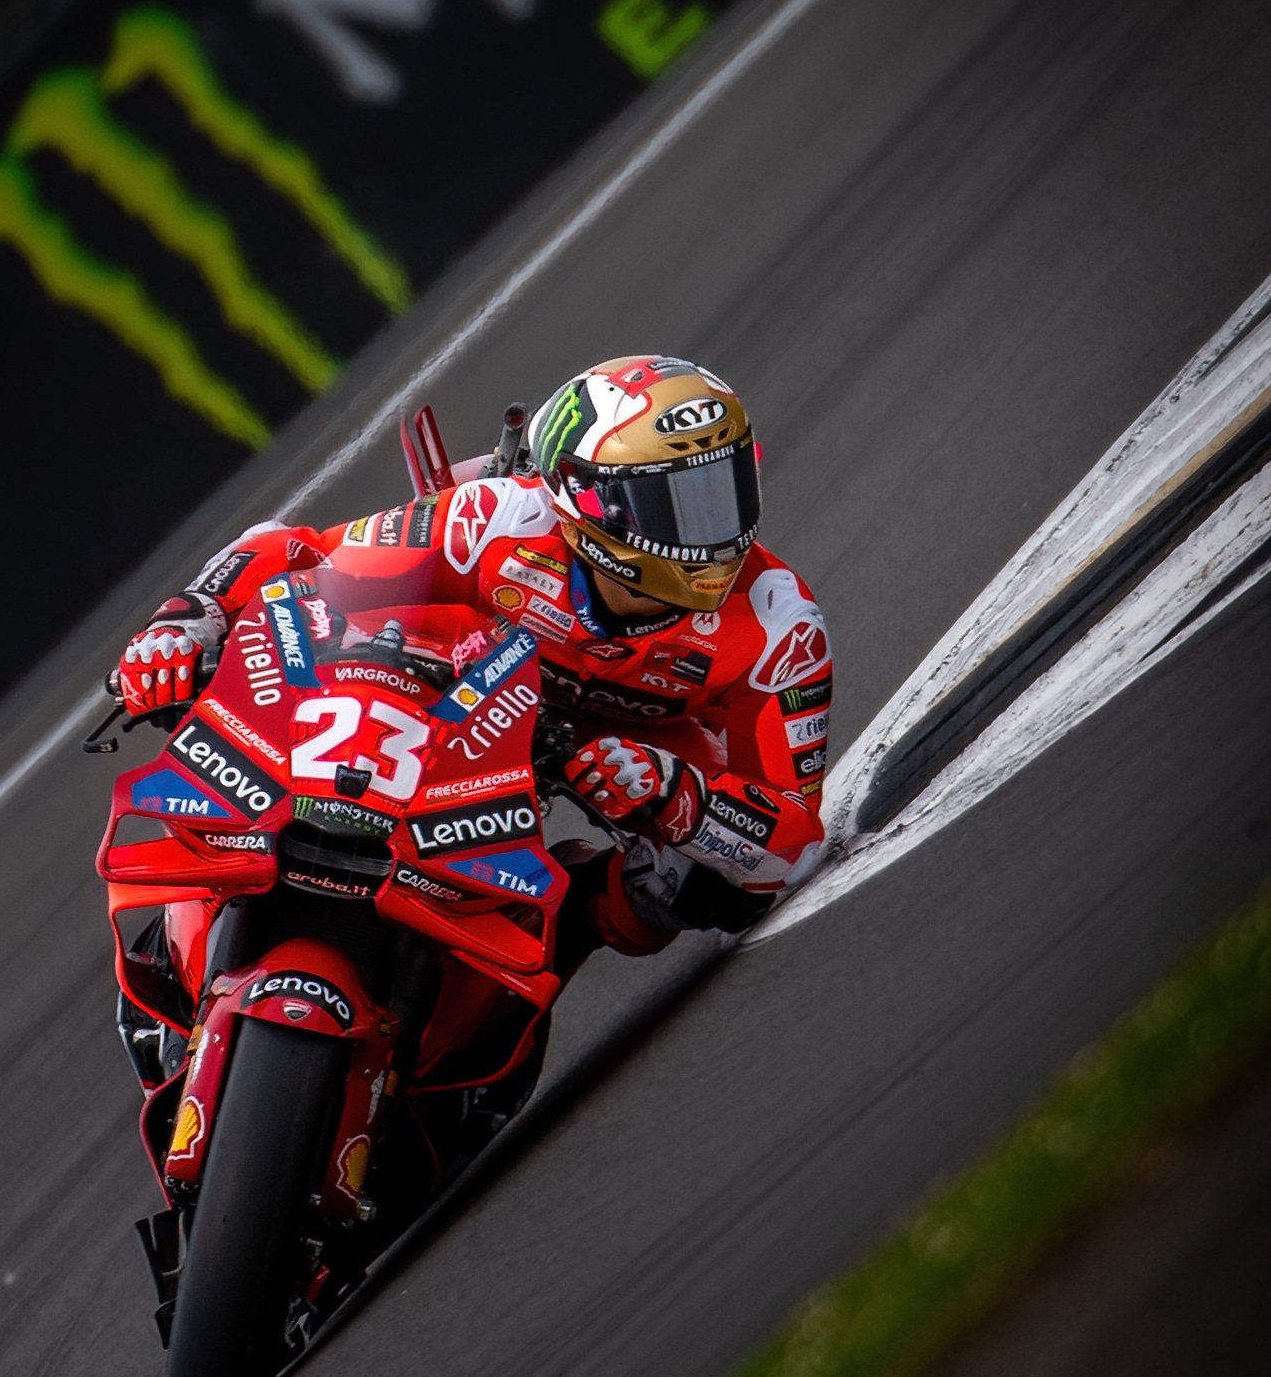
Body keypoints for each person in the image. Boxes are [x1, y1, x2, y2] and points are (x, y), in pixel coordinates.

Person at [113, 353, 831, 963]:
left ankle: (564, 925)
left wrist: (675, 794)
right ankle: (204, 911)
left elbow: (794, 841)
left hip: (621, 749)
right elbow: (293, 551)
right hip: (454, 686)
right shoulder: (493, 520)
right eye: (675, 504)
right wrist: (187, 621)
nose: (712, 531)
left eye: (720, 490)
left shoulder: (778, 626)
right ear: (587, 501)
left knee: (703, 889)